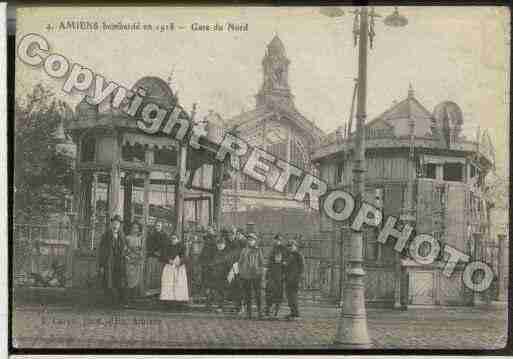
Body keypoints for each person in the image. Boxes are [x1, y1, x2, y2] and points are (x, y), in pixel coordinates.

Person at [98, 215, 128, 308]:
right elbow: (101, 251)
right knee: (108, 282)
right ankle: (109, 303)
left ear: (120, 225)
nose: (115, 225)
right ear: (111, 224)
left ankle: (120, 302)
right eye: (114, 223)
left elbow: (124, 249)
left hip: (119, 262)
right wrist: (101, 265)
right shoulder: (106, 235)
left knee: (119, 281)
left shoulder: (122, 236)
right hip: (108, 262)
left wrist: (125, 256)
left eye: (117, 223)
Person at [238, 233, 265, 319]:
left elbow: (261, 262)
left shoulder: (258, 250)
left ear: (255, 241)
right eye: (249, 240)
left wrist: (260, 272)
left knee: (258, 294)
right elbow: (240, 262)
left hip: (256, 275)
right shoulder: (244, 250)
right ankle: (248, 312)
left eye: (252, 240)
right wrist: (242, 272)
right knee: (247, 294)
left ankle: (260, 312)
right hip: (246, 276)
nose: (250, 242)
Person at [159, 234, 189, 309]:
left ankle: (179, 302)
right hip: (169, 267)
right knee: (168, 284)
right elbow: (162, 256)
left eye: (175, 238)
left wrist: (180, 261)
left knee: (179, 284)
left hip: (179, 268)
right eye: (172, 238)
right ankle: (168, 302)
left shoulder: (182, 246)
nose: (173, 240)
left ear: (178, 239)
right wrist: (168, 260)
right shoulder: (167, 246)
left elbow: (185, 257)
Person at [208, 237, 234, 312]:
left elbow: (228, 264)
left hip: (223, 275)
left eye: (221, 244)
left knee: (222, 292)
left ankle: (221, 306)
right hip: (215, 275)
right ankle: (213, 306)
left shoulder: (227, 253)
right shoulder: (214, 253)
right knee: (214, 291)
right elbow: (211, 263)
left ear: (224, 245)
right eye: (218, 244)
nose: (219, 246)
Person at [264, 234, 287, 318]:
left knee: (278, 293)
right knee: (269, 292)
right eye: (276, 240)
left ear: (281, 241)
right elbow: (269, 262)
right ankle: (268, 310)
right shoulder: (272, 249)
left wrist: (284, 268)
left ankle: (276, 311)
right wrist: (267, 273)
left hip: (280, 274)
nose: (277, 241)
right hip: (271, 273)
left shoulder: (284, 249)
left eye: (279, 240)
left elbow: (286, 261)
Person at [124, 221, 144, 304]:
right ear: (131, 229)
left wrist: (141, 257)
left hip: (137, 261)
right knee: (129, 279)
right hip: (129, 261)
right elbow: (124, 249)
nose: (135, 229)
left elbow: (142, 250)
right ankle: (127, 300)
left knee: (136, 280)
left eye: (137, 228)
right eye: (133, 228)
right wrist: (127, 256)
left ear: (139, 229)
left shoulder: (140, 238)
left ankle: (134, 300)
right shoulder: (127, 238)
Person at [145, 221, 168, 294]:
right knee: (151, 273)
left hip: (161, 258)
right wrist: (153, 252)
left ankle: (158, 291)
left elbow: (166, 246)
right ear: (154, 226)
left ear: (162, 227)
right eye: (157, 225)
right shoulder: (151, 235)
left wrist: (161, 253)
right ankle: (149, 291)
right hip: (152, 256)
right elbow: (148, 245)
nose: (158, 227)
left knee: (159, 274)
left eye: (159, 225)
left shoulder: (164, 235)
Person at [284, 239, 304, 320]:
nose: (290, 248)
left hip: (295, 279)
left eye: (292, 246)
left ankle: (296, 313)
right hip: (288, 279)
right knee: (289, 296)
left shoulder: (299, 255)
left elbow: (302, 268)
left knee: (293, 296)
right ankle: (292, 312)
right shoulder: (289, 255)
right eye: (289, 246)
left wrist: (299, 278)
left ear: (296, 246)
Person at [199, 225, 218, 309]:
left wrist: (213, 263)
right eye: (208, 229)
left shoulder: (215, 241)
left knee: (212, 284)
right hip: (205, 265)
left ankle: (211, 301)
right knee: (206, 284)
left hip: (212, 266)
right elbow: (203, 253)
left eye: (210, 229)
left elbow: (216, 254)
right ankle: (208, 302)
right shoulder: (206, 242)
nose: (209, 230)